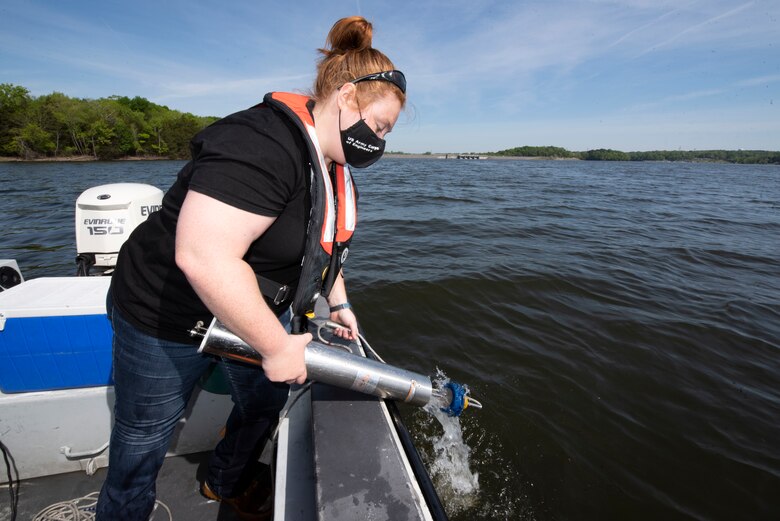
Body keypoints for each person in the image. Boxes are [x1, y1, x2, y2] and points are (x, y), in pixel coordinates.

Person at [95, 15, 406, 520]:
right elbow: (204, 254)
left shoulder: (331, 165)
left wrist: (340, 302)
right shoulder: (261, 143)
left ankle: (224, 480)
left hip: (252, 316)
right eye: (378, 126)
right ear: (347, 97)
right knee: (143, 436)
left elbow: (322, 246)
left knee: (260, 406)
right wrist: (277, 345)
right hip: (166, 315)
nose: (380, 142)